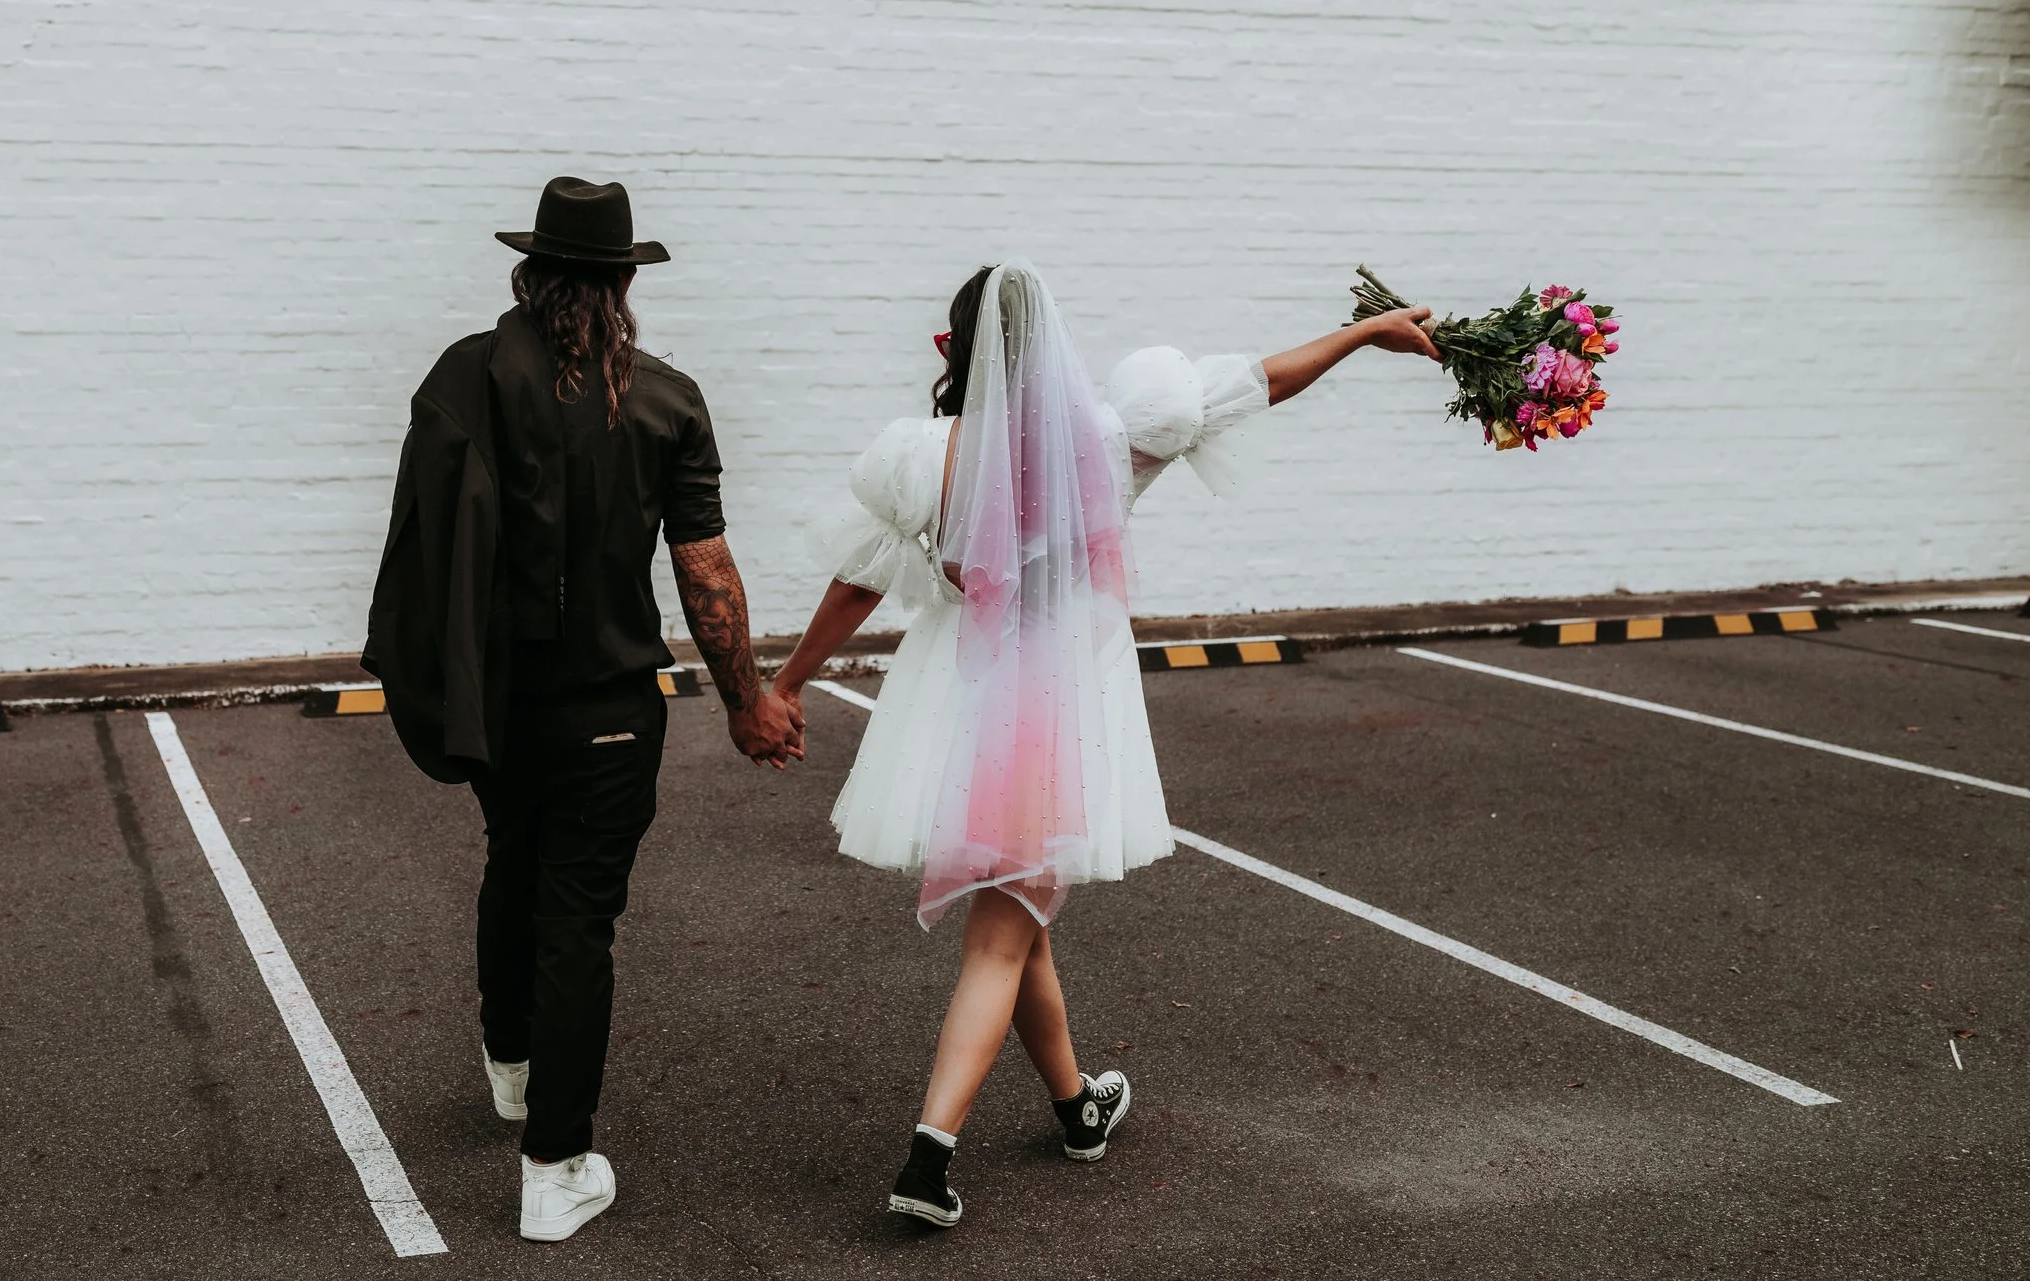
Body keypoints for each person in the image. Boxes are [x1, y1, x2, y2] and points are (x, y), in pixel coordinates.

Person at [769, 259, 1440, 1227]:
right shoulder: (1113, 436)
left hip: (956, 708)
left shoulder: (922, 455)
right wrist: (1361, 338)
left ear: (948, 351)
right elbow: (1260, 380)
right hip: (1058, 717)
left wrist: (788, 682)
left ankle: (1079, 1106)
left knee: (1017, 915)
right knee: (1002, 937)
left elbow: (856, 583)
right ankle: (928, 1157)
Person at [364, 177, 802, 1244]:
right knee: (575, 919)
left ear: (528, 273)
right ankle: (555, 1164)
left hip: (498, 701)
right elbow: (705, 571)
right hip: (610, 712)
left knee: (512, 861)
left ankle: (512, 1066)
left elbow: (420, 546)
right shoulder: (665, 399)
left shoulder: (464, 377)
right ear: (620, 282)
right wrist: (750, 701)